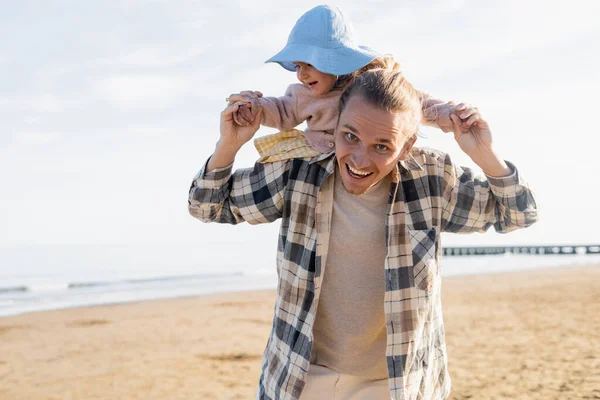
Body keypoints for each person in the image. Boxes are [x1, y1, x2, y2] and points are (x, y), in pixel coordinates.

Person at [188, 68, 538, 399]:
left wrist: (485, 153)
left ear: (407, 146)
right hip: (301, 378)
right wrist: (229, 145)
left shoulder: (432, 178)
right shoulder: (298, 172)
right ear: (336, 123)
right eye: (350, 136)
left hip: (395, 384)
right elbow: (207, 205)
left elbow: (518, 214)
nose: (359, 158)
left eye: (382, 146)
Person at [228, 5, 456, 163]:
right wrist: (253, 109)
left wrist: (448, 114)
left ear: (336, 60)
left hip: (371, 161)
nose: (301, 75)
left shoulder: (373, 83)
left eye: (308, 64)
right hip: (323, 160)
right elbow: (281, 109)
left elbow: (414, 103)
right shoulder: (304, 96)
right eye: (297, 66)